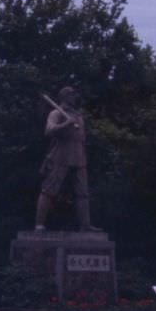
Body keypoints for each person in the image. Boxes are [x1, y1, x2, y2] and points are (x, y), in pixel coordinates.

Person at [35, 87, 100, 233]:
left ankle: (85, 225)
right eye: (72, 94)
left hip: (79, 157)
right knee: (49, 190)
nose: (75, 96)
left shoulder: (79, 115)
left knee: (83, 193)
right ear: (64, 96)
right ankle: (39, 224)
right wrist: (66, 123)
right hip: (60, 156)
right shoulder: (56, 113)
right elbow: (49, 131)